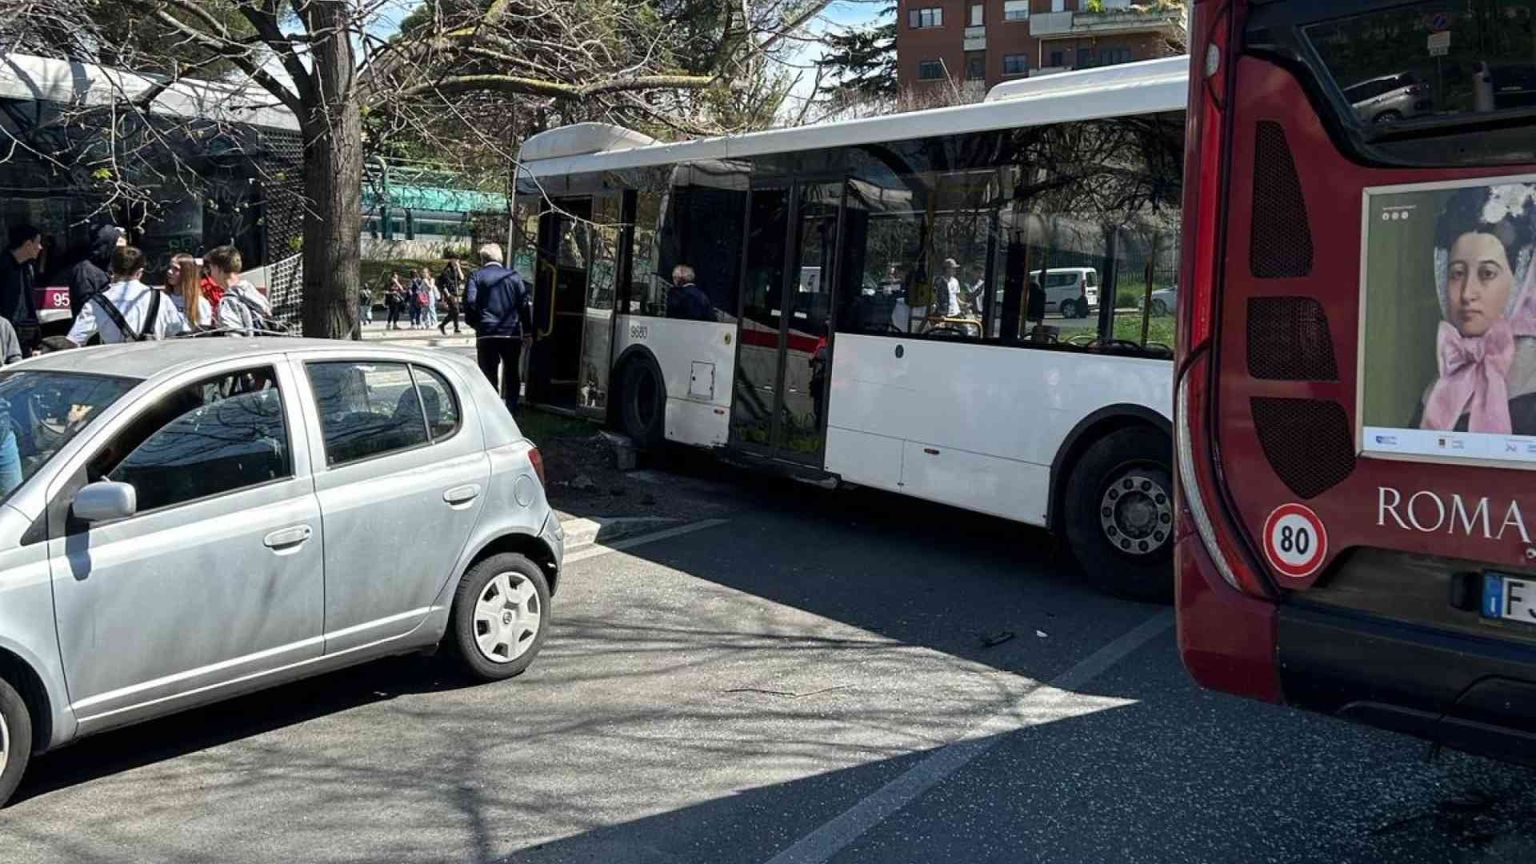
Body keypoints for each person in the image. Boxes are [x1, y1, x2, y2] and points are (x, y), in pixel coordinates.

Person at [1417, 183, 1536, 434]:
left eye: (1487, 273)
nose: (1467, 293)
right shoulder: (1437, 392)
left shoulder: (1531, 384)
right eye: (1457, 273)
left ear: (1521, 281)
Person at [67, 246, 188, 344]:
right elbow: (180, 332)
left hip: (118, 370)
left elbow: (75, 339)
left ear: (112, 270)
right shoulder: (161, 298)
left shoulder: (96, 303)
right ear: (140, 272)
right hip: (156, 371)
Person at [464, 243, 533, 412]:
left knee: (488, 373)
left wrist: (477, 323)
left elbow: (470, 302)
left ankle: (492, 409)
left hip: (487, 332)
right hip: (511, 332)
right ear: (500, 258)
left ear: (483, 259)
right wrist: (528, 331)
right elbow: (523, 305)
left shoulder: (476, 276)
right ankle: (512, 407)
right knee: (512, 371)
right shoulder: (514, 277)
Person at [205, 245, 272, 336]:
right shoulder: (251, 291)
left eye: (211, 268)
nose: (210, 274)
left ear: (219, 269)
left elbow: (233, 337)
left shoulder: (228, 301)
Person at [66, 225, 125, 321]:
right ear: (108, 245)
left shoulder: (107, 267)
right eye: (116, 247)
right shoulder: (83, 270)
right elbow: (87, 306)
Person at [0, 224, 42, 356]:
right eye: (38, 242)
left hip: (24, 336)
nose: (40, 247)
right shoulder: (3, 266)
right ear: (28, 244)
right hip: (6, 336)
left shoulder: (27, 268)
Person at [165, 253, 213, 330]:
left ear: (187, 273)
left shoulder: (200, 303)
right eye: (170, 267)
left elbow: (204, 333)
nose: (169, 271)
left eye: (176, 269)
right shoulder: (163, 299)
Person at [439, 255, 465, 334]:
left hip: (455, 292)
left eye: (457, 260)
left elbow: (462, 278)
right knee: (456, 310)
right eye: (455, 259)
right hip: (449, 293)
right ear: (451, 260)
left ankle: (443, 325)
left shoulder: (456, 270)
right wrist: (447, 294)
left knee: (453, 311)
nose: (456, 261)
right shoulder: (446, 270)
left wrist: (459, 268)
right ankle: (455, 327)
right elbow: (443, 284)